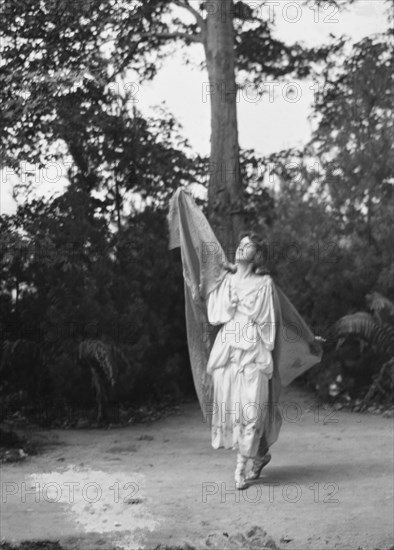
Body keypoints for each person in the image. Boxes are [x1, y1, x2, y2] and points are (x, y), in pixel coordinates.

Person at [205, 231, 276, 489]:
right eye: (240, 244)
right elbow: (215, 313)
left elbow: (271, 319)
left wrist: (303, 337)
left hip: (253, 347)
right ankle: (258, 455)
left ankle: (240, 470)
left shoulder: (264, 283)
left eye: (247, 246)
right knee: (235, 409)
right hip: (228, 347)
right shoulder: (225, 281)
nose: (240, 247)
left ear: (256, 255)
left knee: (252, 411)